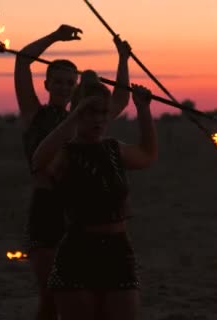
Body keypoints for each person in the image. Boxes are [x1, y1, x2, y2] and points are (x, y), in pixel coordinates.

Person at [14, 25, 131, 320]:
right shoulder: (33, 113)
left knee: (76, 299)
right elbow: (22, 61)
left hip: (76, 214)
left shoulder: (80, 121)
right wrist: (54, 36)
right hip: (45, 210)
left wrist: (123, 59)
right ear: (47, 84)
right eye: (59, 82)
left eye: (70, 83)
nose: (64, 87)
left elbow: (119, 101)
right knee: (50, 298)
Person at [31, 70, 157, 320]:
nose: (99, 119)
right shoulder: (65, 153)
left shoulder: (113, 149)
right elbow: (38, 161)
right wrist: (75, 115)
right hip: (79, 252)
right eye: (91, 112)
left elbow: (147, 155)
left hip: (118, 250)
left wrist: (143, 110)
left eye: (103, 112)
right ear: (77, 112)